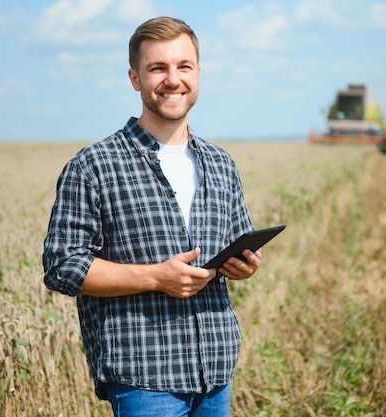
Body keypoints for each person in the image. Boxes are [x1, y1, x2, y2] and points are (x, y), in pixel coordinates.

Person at [42, 16, 262, 417]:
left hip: (215, 371)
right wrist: (154, 277)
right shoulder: (94, 166)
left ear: (198, 73)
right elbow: (62, 267)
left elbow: (237, 242)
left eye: (183, 66)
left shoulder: (220, 163)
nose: (172, 79)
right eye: (157, 68)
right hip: (144, 378)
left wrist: (242, 266)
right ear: (135, 78)